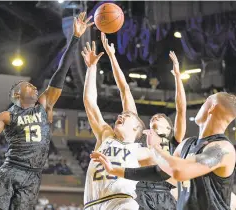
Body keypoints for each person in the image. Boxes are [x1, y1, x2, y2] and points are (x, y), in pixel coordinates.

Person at [0, 12, 93, 210]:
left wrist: (75, 38)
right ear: (17, 95)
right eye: (28, 86)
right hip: (11, 170)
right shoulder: (7, 116)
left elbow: (60, 74)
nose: (34, 88)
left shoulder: (44, 105)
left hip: (33, 175)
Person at [91, 92, 236, 210]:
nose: (201, 106)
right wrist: (114, 170)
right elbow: (159, 172)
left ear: (211, 107)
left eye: (205, 102)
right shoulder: (187, 143)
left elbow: (179, 171)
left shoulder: (223, 149)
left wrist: (155, 148)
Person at [100, 33, 186, 210]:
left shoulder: (174, 141)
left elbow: (181, 108)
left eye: (161, 117)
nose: (156, 116)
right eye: (154, 117)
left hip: (164, 196)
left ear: (169, 128)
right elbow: (125, 90)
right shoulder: (138, 140)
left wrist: (177, 76)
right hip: (139, 194)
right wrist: (112, 56)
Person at [81, 40, 146, 210]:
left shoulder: (136, 146)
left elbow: (125, 90)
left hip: (122, 201)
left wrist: (112, 56)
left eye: (126, 116)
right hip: (92, 204)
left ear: (136, 128)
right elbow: (89, 102)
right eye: (121, 114)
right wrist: (91, 68)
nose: (120, 115)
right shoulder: (106, 135)